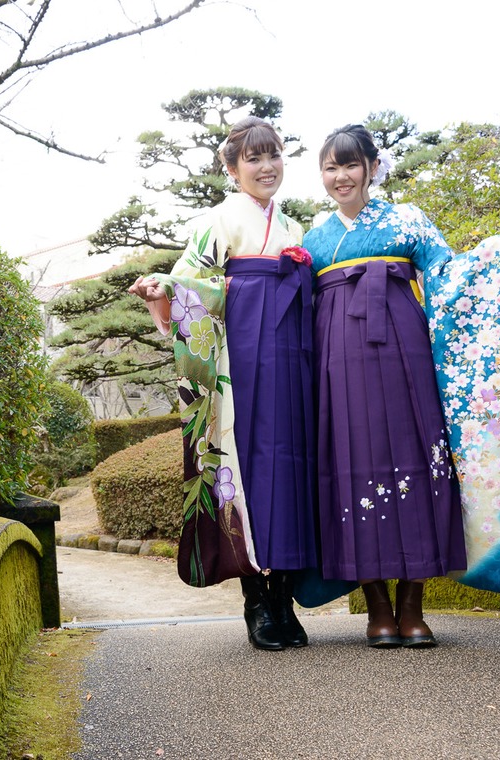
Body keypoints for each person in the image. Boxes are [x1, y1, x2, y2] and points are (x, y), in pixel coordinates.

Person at [303, 124, 500, 648]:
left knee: (420, 459)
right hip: (337, 357)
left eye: (350, 164)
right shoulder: (314, 239)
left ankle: (413, 604)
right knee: (351, 467)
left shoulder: (407, 219)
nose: (340, 177)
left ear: (371, 166)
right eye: (330, 167)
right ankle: (377, 608)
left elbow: (451, 274)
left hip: (404, 348)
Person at [128, 116, 320, 650]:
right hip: (243, 361)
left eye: (274, 155)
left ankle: (283, 593)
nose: (266, 167)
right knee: (248, 464)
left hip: (292, 361)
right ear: (232, 169)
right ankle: (256, 599)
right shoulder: (218, 220)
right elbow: (188, 280)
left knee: (292, 468)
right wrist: (162, 289)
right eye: (254, 159)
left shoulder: (294, 227)